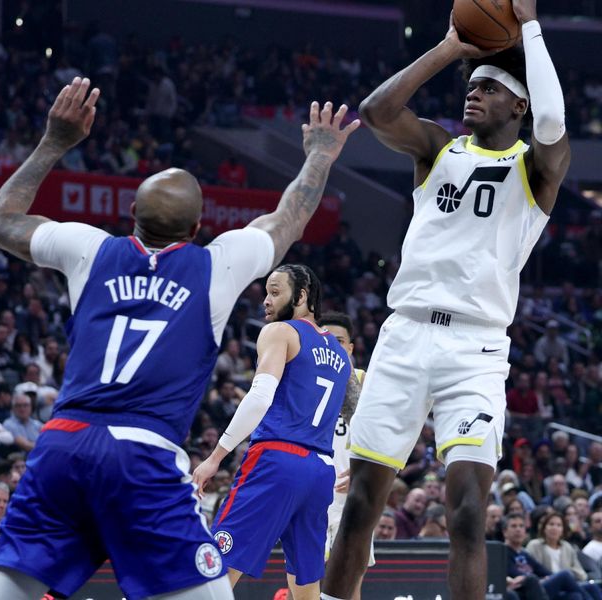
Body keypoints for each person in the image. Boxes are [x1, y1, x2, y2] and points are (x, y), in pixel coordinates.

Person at [0, 76, 358, 600]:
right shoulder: (215, 266)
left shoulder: (90, 250)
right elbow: (290, 219)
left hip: (63, 443)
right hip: (144, 455)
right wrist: (319, 154)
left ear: (131, 216)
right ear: (201, 226)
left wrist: (55, 142)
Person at [322, 1, 571, 598]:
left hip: (475, 347)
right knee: (361, 504)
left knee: (466, 510)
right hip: (404, 335)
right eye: (471, 86)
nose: (473, 94)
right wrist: (452, 49)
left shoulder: (535, 168)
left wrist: (530, 26)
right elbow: (377, 110)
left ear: (519, 105)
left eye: (488, 87)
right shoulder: (438, 149)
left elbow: (556, 122)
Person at [192, 266, 358, 600]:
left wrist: (214, 458)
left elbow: (259, 397)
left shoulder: (281, 332)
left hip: (277, 461)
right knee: (306, 585)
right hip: (320, 471)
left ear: (302, 295)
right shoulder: (341, 355)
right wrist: (362, 461)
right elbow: (360, 411)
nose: (266, 301)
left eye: (275, 291)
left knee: (216, 570)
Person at [319, 312, 371, 600]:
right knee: (301, 582)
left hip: (350, 497)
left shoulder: (366, 382)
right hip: (313, 492)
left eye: (339, 341)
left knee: (350, 584)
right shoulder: (307, 380)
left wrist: (365, 474)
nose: (333, 346)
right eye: (327, 340)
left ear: (351, 347)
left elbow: (387, 440)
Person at [525, 513, 602, 600]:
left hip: (567, 586)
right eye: (551, 524)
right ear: (544, 528)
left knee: (587, 589)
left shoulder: (567, 547)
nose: (555, 528)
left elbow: (582, 574)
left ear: (562, 530)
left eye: (559, 525)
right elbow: (530, 570)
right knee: (564, 574)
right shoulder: (534, 545)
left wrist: (569, 574)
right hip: (545, 585)